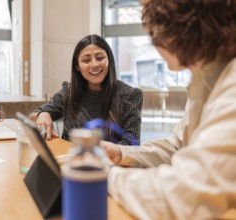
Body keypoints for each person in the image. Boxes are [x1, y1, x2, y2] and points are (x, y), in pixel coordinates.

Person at [101, 0, 236, 219]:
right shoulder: (207, 73)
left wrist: (108, 176)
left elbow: (183, 196)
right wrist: (123, 153)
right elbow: (178, 146)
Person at [28, 34, 143, 145]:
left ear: (109, 60)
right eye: (86, 60)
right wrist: (43, 114)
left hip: (110, 163)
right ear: (77, 66)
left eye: (100, 58)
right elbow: (31, 118)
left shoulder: (130, 95)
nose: (94, 64)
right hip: (70, 160)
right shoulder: (69, 91)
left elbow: (132, 143)